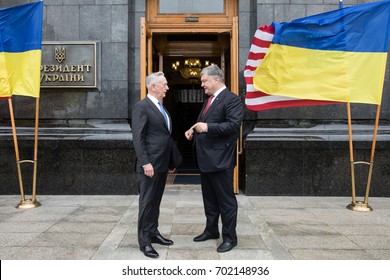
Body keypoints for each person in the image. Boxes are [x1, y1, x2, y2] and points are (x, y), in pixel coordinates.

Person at [184, 64, 243, 253]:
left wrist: (207, 127)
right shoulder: (210, 99)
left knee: (225, 202)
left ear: (216, 79)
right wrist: (192, 129)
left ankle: (229, 238)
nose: (202, 84)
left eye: (204, 81)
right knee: (209, 199)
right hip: (206, 159)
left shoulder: (232, 99)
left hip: (220, 160)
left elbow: (233, 126)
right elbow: (204, 120)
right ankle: (211, 231)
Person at [132, 71, 179, 258]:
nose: (167, 87)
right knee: (146, 203)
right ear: (153, 86)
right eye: (164, 84)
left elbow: (163, 136)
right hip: (149, 166)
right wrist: (145, 163)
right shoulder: (141, 107)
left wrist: (168, 162)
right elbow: (138, 138)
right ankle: (144, 242)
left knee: (156, 201)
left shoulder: (161, 107)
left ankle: (153, 232)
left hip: (160, 164)